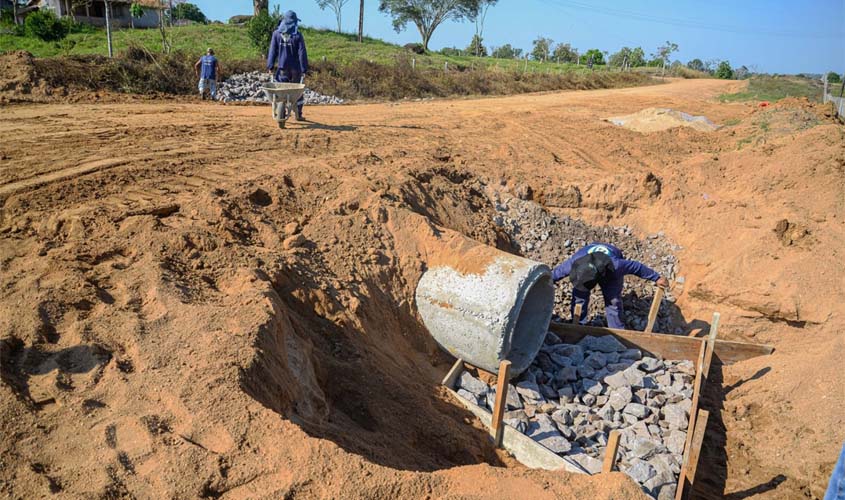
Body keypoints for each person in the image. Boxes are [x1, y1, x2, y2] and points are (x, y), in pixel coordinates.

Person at [551, 242, 669, 329]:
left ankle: (617, 330)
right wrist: (544, 281)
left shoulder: (616, 266)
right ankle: (578, 324)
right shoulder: (575, 262)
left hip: (609, 269)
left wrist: (656, 278)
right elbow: (557, 272)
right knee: (579, 296)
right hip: (588, 262)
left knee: (613, 300)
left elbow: (636, 267)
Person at [266, 10, 309, 121]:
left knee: (282, 91)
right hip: (295, 69)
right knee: (297, 93)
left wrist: (270, 66)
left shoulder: (276, 34)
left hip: (282, 69)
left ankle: (282, 109)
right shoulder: (298, 36)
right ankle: (298, 113)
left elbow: (272, 51)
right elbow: (301, 53)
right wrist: (304, 68)